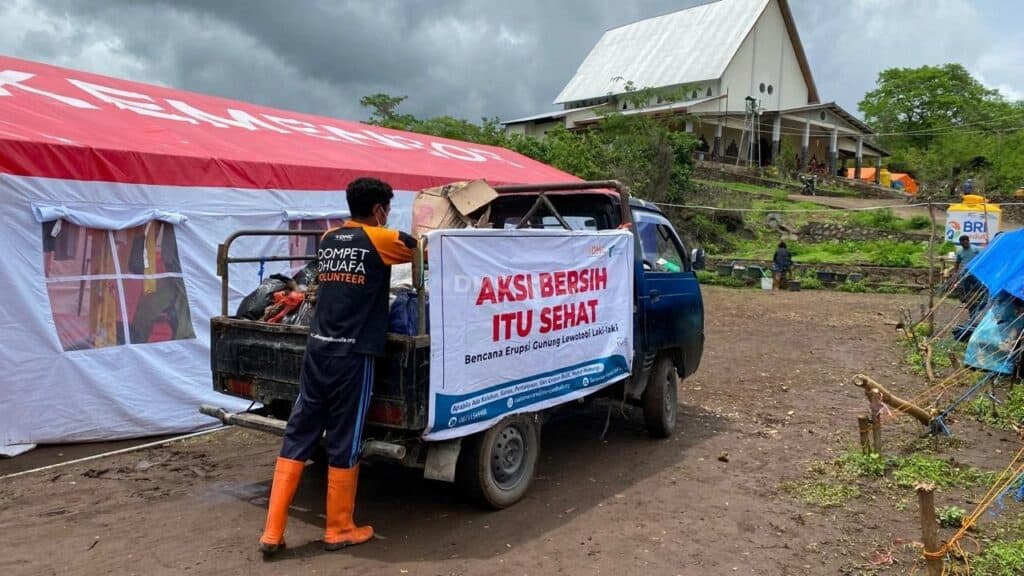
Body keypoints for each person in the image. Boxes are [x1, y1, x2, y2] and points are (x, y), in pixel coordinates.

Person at [259, 177, 416, 557]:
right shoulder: (382, 238)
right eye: (388, 209)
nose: (388, 215)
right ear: (379, 209)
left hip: (318, 350)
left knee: (299, 434)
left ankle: (272, 531)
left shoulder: (329, 239)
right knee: (345, 437)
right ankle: (339, 528)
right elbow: (419, 249)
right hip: (353, 356)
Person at [952, 234, 984, 317]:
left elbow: (982, 258)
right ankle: (971, 312)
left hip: (975, 274)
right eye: (962, 244)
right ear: (961, 243)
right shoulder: (959, 251)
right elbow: (957, 263)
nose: (964, 245)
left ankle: (981, 305)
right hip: (965, 275)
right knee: (967, 294)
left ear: (968, 241)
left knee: (981, 289)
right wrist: (955, 273)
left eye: (965, 243)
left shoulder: (975, 249)